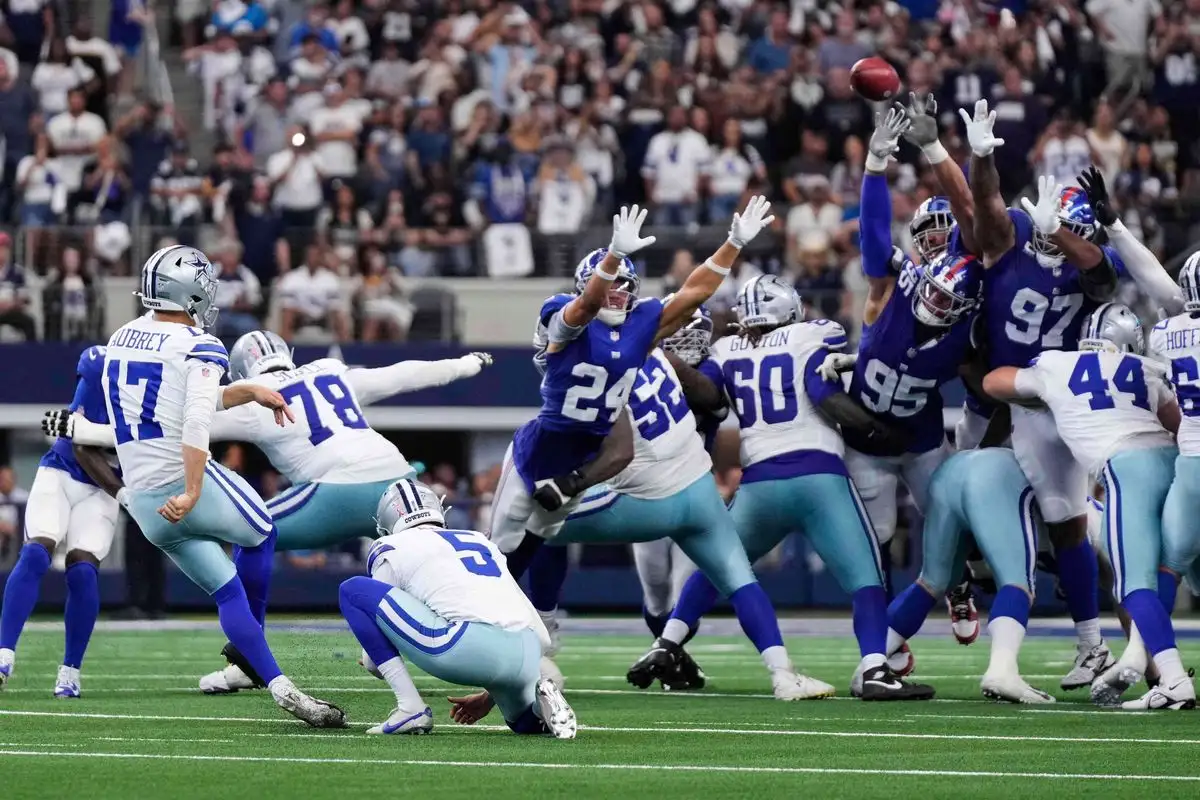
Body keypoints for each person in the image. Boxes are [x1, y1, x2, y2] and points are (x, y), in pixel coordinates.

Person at [50, 329, 493, 693]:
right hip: (400, 483)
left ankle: (247, 659)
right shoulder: (331, 372)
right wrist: (464, 365)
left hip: (335, 490)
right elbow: (399, 375)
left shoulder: (254, 398)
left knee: (253, 530)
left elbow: (167, 431)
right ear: (288, 354)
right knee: (429, 561)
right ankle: (472, 633)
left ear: (242, 370)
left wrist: (84, 428)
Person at [641, 275, 933, 700]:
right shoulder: (809, 335)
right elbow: (823, 392)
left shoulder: (724, 350)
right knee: (866, 577)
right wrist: (876, 431)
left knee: (721, 565)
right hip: (818, 477)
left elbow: (709, 398)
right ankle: (874, 666)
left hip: (759, 484)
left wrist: (672, 361)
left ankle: (668, 641)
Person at [530, 309, 837, 700]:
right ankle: (780, 673)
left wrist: (571, 481)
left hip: (644, 496)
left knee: (539, 526)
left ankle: (540, 630)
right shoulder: (642, 357)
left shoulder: (619, 365)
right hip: (697, 495)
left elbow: (701, 402)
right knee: (733, 579)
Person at [97, 244, 345, 727]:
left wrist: (245, 390)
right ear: (188, 291)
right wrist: (192, 489)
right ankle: (254, 643)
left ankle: (280, 685)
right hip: (182, 481)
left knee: (226, 590)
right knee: (264, 531)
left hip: (146, 505)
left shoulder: (122, 336)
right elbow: (192, 421)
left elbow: (173, 402)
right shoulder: (199, 344)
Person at [488, 199, 774, 581]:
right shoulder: (562, 314)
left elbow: (694, 293)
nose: (617, 294)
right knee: (501, 542)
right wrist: (614, 255)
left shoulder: (637, 327)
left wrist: (733, 244)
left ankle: (532, 619)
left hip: (585, 450)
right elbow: (587, 304)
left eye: (626, 287)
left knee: (539, 538)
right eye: (611, 285)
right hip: (539, 446)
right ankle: (480, 604)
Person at [963, 98, 1127, 690]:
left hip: (1050, 400)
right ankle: (975, 580)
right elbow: (984, 208)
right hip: (1005, 394)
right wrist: (981, 159)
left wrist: (1063, 230)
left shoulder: (1086, 260)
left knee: (1068, 523)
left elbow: (1104, 273)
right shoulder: (1013, 238)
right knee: (970, 499)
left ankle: (1094, 643)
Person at [983, 303, 1190, 710]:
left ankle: (1174, 680)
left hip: (1126, 469)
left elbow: (994, 382)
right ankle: (1155, 671)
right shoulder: (1146, 368)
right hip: (1175, 464)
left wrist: (1043, 395)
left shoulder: (1057, 365)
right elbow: (1178, 424)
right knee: (1169, 571)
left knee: (1133, 586)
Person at [839, 99, 984, 648]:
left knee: (950, 516)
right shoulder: (895, 280)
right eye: (927, 232)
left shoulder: (969, 307)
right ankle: (880, 643)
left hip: (921, 436)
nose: (935, 240)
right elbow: (875, 243)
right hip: (870, 438)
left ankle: (959, 585)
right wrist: (874, 168)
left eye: (946, 231)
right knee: (874, 539)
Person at [339, 479, 575, 737]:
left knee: (353, 590)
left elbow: (374, 660)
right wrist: (491, 694)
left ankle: (411, 709)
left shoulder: (390, 546)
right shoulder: (480, 541)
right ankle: (541, 709)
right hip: (527, 648)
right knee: (524, 723)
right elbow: (541, 636)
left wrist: (371, 659)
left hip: (469, 647)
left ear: (386, 522)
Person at [885, 448, 1052, 704]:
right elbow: (1076, 540)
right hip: (995, 476)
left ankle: (872, 665)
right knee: (1017, 582)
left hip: (948, 473)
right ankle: (1002, 671)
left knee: (931, 582)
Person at [0, 346, 118, 696]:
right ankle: (4, 653)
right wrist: (124, 492)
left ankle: (70, 671)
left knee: (83, 570)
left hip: (105, 491)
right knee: (37, 552)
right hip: (64, 472)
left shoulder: (167, 397)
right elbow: (81, 444)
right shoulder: (102, 370)